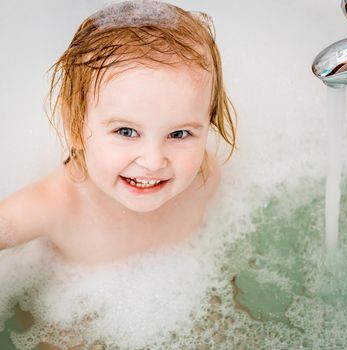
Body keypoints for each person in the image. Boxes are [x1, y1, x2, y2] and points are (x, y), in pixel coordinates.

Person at [0, 0, 236, 265]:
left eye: (179, 134)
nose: (153, 161)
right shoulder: (55, 205)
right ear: (74, 127)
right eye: (126, 131)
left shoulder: (205, 180)